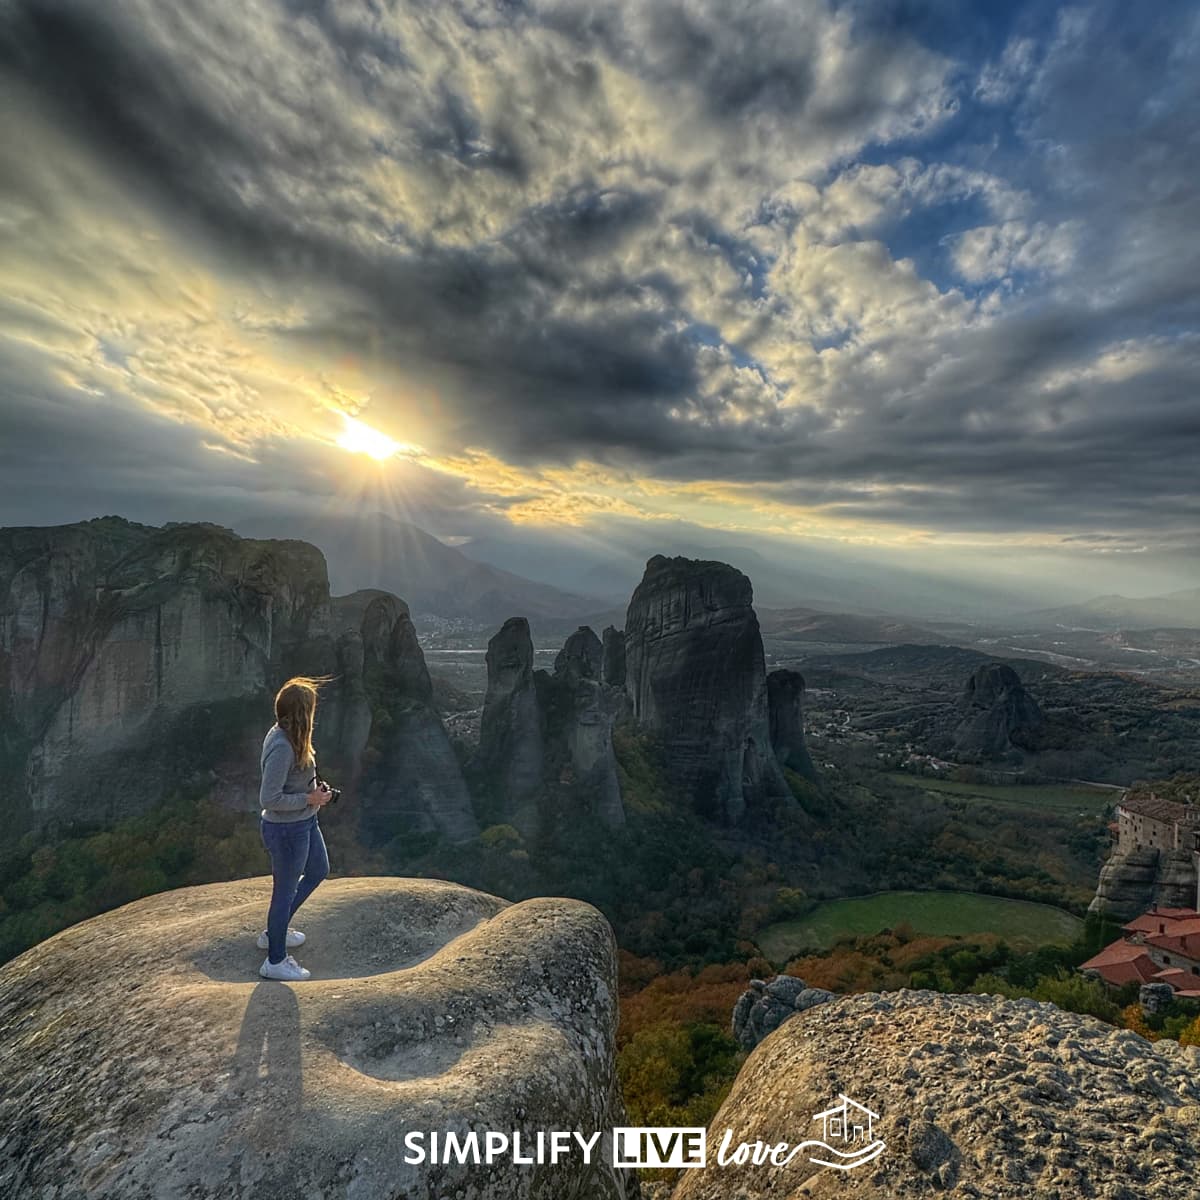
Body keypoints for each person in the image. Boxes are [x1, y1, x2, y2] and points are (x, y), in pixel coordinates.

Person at [257, 676, 334, 981]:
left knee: (318, 870)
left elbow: (295, 780)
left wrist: (317, 793)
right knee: (284, 893)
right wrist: (309, 798)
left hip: (305, 822)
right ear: (302, 714)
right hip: (287, 830)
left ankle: (275, 931)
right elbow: (269, 798)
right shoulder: (282, 746)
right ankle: (275, 960)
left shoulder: (293, 737)